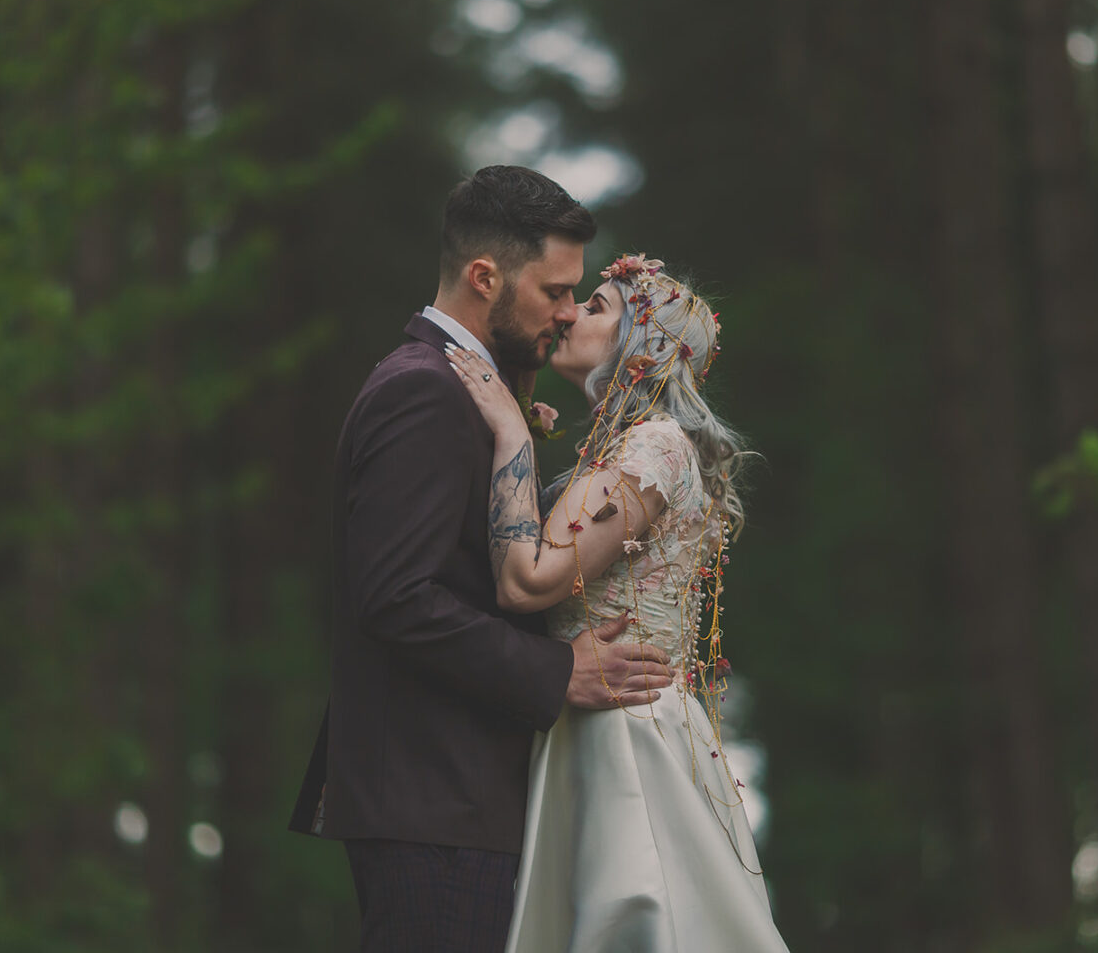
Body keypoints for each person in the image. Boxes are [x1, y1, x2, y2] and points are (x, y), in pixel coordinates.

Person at [288, 167, 674, 953]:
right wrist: (557, 674)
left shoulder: (460, 388)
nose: (569, 314)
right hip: (436, 803)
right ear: (484, 276)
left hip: (458, 801)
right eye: (555, 291)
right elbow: (397, 597)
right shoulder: (424, 391)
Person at [446, 253, 790, 952]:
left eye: (597, 306)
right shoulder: (630, 448)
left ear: (643, 345)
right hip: (595, 716)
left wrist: (511, 434)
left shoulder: (653, 447)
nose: (570, 313)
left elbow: (527, 580)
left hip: (627, 730)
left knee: (635, 913)